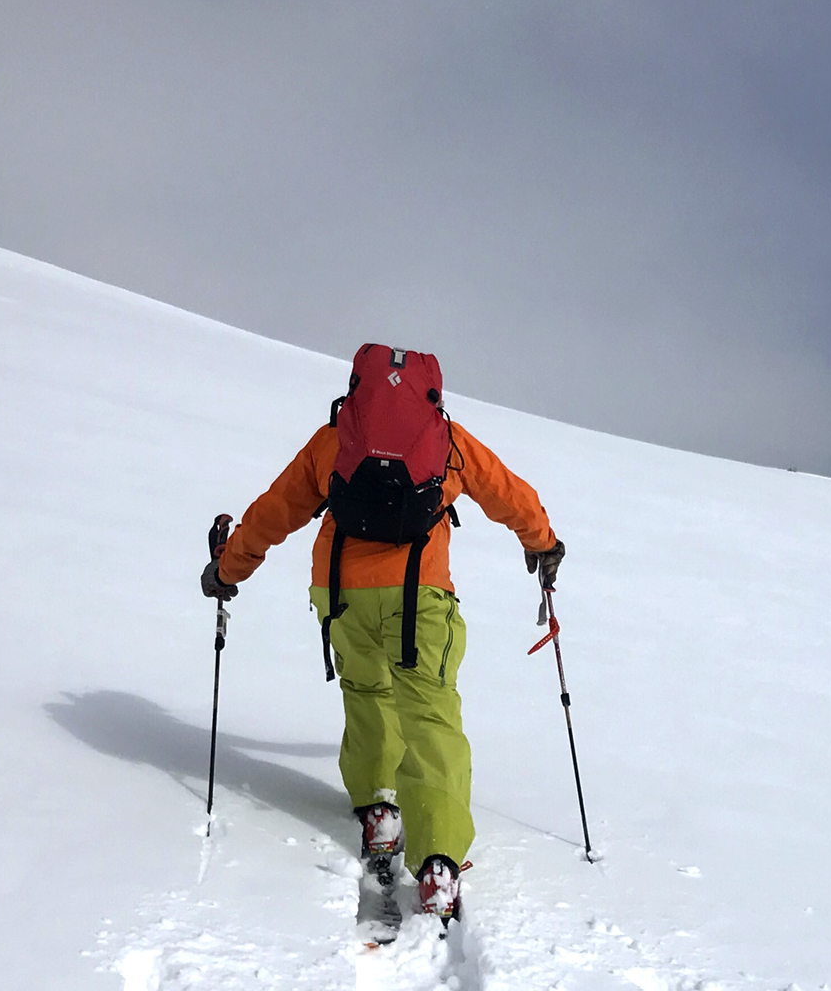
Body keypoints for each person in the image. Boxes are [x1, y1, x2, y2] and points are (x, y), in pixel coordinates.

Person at [201, 357, 561, 924]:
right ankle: (438, 859)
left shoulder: (333, 443)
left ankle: (377, 811)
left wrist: (229, 570)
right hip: (419, 599)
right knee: (430, 714)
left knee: (367, 694)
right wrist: (543, 544)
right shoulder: (449, 443)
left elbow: (273, 513)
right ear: (433, 397)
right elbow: (509, 494)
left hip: (342, 594)